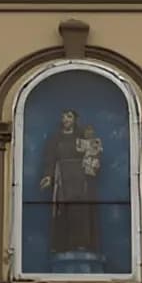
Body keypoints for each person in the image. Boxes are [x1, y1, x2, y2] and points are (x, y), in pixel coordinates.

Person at [39, 109, 102, 258]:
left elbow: (93, 154)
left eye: (69, 116)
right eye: (63, 116)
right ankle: (62, 245)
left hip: (80, 179)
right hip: (63, 179)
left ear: (75, 119)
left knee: (80, 211)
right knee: (62, 211)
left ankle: (82, 243)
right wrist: (48, 176)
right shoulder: (55, 139)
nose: (65, 119)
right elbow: (50, 159)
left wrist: (93, 163)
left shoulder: (82, 137)